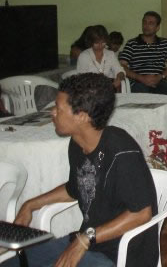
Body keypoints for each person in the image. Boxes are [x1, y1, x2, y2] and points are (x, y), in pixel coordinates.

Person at [6, 73, 158, 267]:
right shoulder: (77, 144)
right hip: (88, 243)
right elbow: (74, 188)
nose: (53, 113)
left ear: (82, 116)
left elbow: (141, 213)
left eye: (59, 108)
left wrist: (86, 239)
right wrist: (30, 205)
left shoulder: (120, 150)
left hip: (121, 254)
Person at [118, 11, 167, 99]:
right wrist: (140, 78)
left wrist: (160, 77)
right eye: (144, 22)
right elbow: (122, 66)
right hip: (138, 82)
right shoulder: (132, 43)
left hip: (159, 81)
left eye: (151, 23)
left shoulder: (165, 43)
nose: (146, 26)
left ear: (157, 27)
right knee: (144, 100)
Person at [77, 26, 125, 91]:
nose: (100, 46)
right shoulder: (84, 56)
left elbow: (120, 71)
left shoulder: (110, 54)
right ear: (91, 42)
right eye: (96, 43)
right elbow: (81, 78)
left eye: (103, 42)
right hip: (90, 90)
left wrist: (118, 78)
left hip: (109, 88)